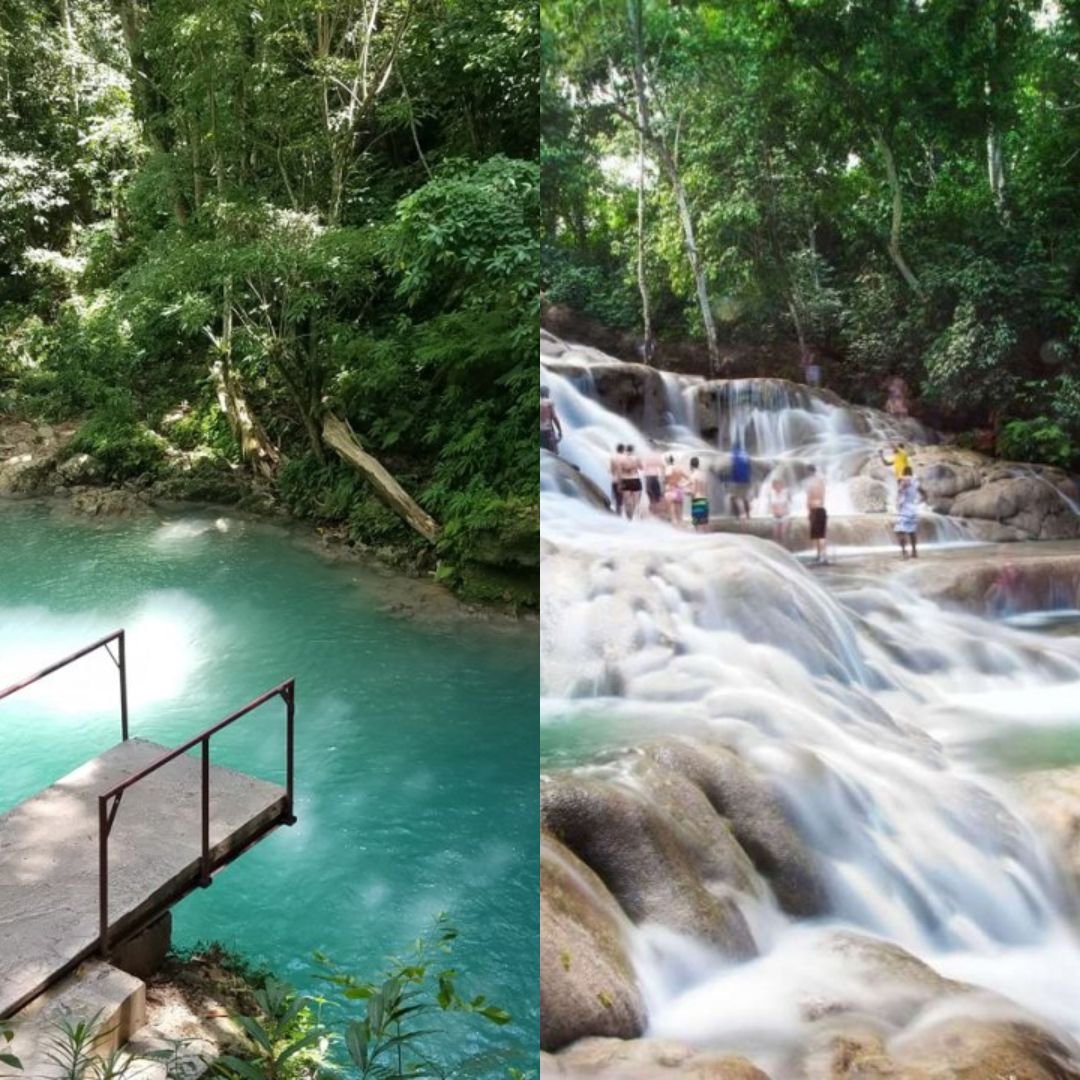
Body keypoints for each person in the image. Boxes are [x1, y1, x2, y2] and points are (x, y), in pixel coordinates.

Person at [894, 465, 922, 558]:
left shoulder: (905, 479)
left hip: (905, 508)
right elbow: (923, 493)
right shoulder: (916, 481)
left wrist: (899, 494)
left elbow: (901, 490)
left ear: (904, 472)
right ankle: (914, 552)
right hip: (913, 508)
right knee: (912, 531)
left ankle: (904, 553)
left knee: (900, 531)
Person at [805, 465, 828, 564]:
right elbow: (822, 498)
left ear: (809, 472)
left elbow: (809, 498)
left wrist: (809, 510)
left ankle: (821, 555)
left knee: (818, 536)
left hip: (815, 510)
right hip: (821, 510)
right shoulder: (821, 482)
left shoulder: (811, 483)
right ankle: (821, 555)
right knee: (820, 536)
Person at [620, 443, 644, 520]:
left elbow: (619, 470)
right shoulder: (636, 458)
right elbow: (641, 468)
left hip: (625, 480)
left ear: (626, 450)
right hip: (635, 479)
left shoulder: (621, 458)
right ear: (633, 450)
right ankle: (634, 516)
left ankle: (628, 518)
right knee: (636, 501)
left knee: (627, 501)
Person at [664, 453, 688, 526]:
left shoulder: (668, 468)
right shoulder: (679, 468)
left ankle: (675, 530)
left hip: (671, 490)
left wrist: (666, 481)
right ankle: (682, 528)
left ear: (667, 461)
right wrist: (683, 484)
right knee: (680, 513)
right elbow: (689, 478)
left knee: (672, 513)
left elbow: (667, 478)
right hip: (680, 490)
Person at [729, 443, 752, 520]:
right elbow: (749, 466)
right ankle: (748, 514)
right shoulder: (745, 454)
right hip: (747, 479)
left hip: (738, 480)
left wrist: (731, 478)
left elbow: (733, 466)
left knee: (737, 497)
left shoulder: (734, 454)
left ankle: (742, 514)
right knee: (745, 497)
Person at [642, 447, 666, 516]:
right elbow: (662, 466)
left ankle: (651, 509)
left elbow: (644, 467)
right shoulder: (657, 456)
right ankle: (655, 510)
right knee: (656, 494)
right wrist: (663, 476)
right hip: (655, 476)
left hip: (648, 477)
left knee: (649, 493)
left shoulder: (647, 456)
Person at [769, 477, 792, 546]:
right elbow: (772, 505)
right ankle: (776, 548)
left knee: (782, 533)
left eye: (779, 485)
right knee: (775, 534)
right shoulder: (772, 493)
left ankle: (784, 547)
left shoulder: (785, 492)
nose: (777, 486)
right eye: (775, 485)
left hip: (784, 516)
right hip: (775, 516)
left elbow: (790, 503)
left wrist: (786, 511)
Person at [540, 386, 562, 455]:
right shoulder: (549, 402)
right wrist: (560, 430)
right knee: (553, 453)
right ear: (547, 393)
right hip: (548, 430)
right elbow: (554, 417)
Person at [689, 456, 709, 530]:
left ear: (691, 465)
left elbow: (693, 491)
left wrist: (686, 492)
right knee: (704, 524)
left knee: (696, 525)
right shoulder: (703, 475)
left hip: (697, 500)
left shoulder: (693, 475)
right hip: (704, 499)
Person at [609, 444, 625, 516]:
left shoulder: (613, 458)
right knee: (621, 501)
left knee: (616, 499)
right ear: (623, 450)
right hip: (623, 480)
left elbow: (611, 470)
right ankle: (620, 515)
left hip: (614, 480)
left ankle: (617, 515)